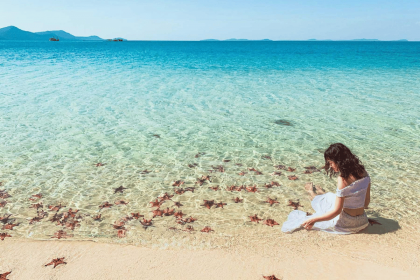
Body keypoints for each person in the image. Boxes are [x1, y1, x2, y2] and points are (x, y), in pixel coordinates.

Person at [281, 143, 371, 234]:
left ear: (339, 161)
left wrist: (313, 220)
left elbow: (336, 212)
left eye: (331, 162)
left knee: (326, 201)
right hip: (362, 221)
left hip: (347, 225)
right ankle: (319, 193)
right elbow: (366, 203)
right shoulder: (364, 172)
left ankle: (312, 192)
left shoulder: (342, 179)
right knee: (330, 198)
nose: (330, 165)